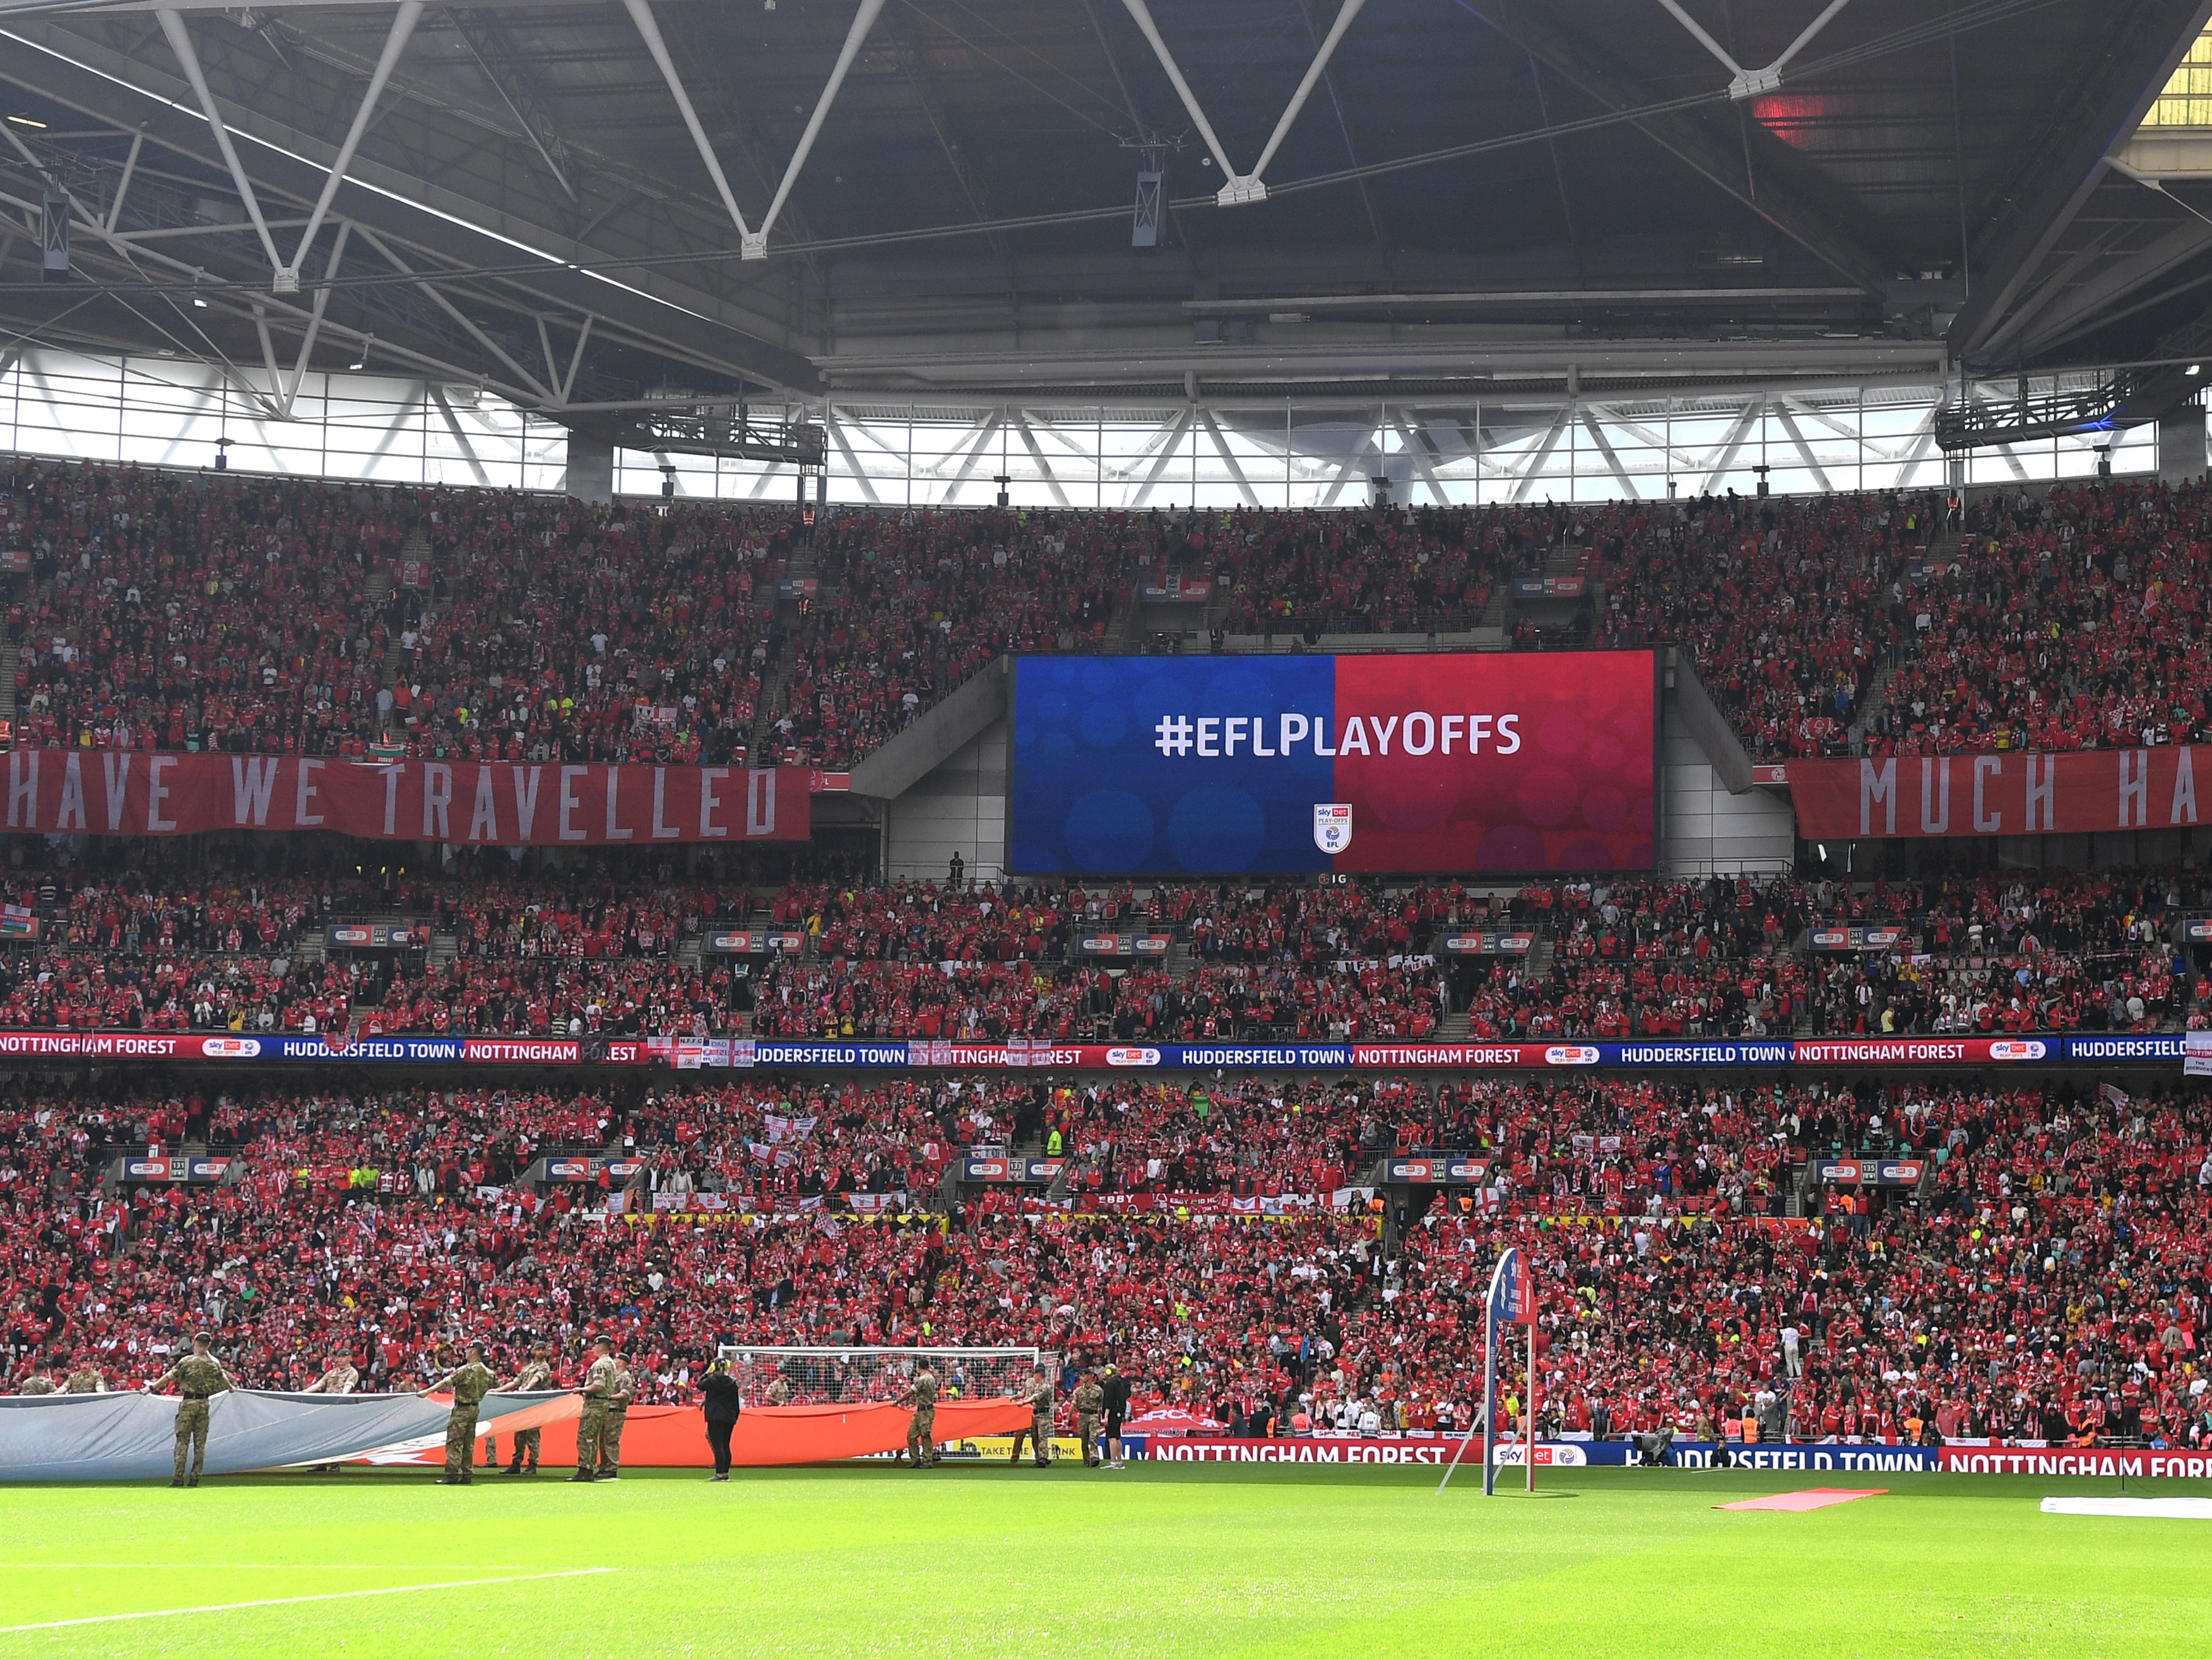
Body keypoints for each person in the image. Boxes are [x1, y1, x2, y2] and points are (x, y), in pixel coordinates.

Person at [148, 1331, 233, 1489]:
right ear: (209, 1345)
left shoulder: (187, 1361)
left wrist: (152, 1388)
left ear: (195, 1343)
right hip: (204, 1403)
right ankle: (195, 1478)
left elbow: (169, 1377)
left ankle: (178, 1478)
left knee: (182, 1441)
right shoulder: (215, 1362)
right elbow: (223, 1379)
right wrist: (232, 1388)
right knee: (200, 1444)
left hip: (188, 1403)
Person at [423, 1342, 495, 1486]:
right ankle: (467, 1474)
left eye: (468, 1350)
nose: (466, 1352)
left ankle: (452, 1474)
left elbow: (447, 1382)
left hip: (462, 1409)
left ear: (474, 1352)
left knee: (455, 1442)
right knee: (469, 1443)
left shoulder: (466, 1370)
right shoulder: (488, 1372)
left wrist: (427, 1391)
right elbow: (494, 1387)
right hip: (475, 1408)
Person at [501, 1345, 553, 1476]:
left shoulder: (544, 1366)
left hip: (536, 1404)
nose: (541, 1352)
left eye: (543, 1350)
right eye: (538, 1349)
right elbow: (516, 1382)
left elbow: (537, 1378)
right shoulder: (527, 1368)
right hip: (524, 1404)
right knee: (519, 1436)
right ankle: (516, 1463)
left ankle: (532, 1464)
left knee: (533, 1435)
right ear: (533, 1351)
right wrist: (498, 1390)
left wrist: (528, 1387)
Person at [572, 1338, 617, 1482]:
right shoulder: (610, 1363)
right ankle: (588, 1468)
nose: (593, 1348)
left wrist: (582, 1389)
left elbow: (599, 1385)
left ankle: (585, 1469)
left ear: (601, 1347)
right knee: (592, 1438)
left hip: (595, 1403)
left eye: (596, 1346)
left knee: (586, 1437)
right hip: (603, 1403)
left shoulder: (600, 1364)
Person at [701, 1357, 742, 1481]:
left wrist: (707, 1372)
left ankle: (719, 1474)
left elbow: (700, 1385)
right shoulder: (733, 1382)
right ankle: (725, 1473)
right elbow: (736, 1403)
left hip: (715, 1416)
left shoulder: (712, 1381)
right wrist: (735, 1416)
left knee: (718, 1445)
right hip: (729, 1417)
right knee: (726, 1445)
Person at [1007, 1366, 1055, 1468]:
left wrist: (1024, 1402)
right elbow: (1023, 1393)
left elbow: (1035, 1397)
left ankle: (1041, 1458)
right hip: (1027, 1412)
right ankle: (1015, 1457)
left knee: (1038, 1436)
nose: (1033, 1375)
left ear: (1039, 1375)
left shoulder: (1046, 1386)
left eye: (1035, 1373)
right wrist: (1013, 1397)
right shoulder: (1029, 1382)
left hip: (1041, 1413)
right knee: (1020, 1434)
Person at [600, 1349, 636, 1480]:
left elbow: (625, 1394)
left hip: (616, 1411)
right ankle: (604, 1466)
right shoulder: (614, 1375)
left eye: (617, 1359)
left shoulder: (625, 1376)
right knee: (603, 1440)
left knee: (611, 1440)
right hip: (608, 1411)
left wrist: (609, 1397)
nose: (614, 1361)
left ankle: (612, 1468)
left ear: (622, 1362)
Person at [901, 1362, 939, 1468]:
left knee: (925, 1435)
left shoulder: (923, 1379)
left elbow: (910, 1392)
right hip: (920, 1411)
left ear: (919, 1367)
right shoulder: (929, 1378)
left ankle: (927, 1461)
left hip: (926, 1411)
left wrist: (897, 1401)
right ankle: (916, 1459)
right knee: (911, 1435)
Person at [1099, 1363, 1131, 1470]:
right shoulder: (1120, 1383)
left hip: (1112, 1412)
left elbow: (1109, 1401)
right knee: (1117, 1437)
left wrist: (1106, 1416)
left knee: (1111, 1437)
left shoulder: (1110, 1384)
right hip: (1119, 1412)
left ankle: (1113, 1461)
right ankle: (1119, 1461)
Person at [1073, 1369, 1105, 1468]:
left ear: (1090, 1376)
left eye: (1084, 1375)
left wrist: (1104, 1416)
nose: (1082, 1378)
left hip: (1093, 1414)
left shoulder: (1098, 1390)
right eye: (1081, 1376)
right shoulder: (1078, 1391)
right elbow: (1074, 1404)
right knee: (1084, 1439)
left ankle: (1094, 1457)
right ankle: (1086, 1459)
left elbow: (1103, 1404)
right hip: (1082, 1415)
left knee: (1094, 1436)